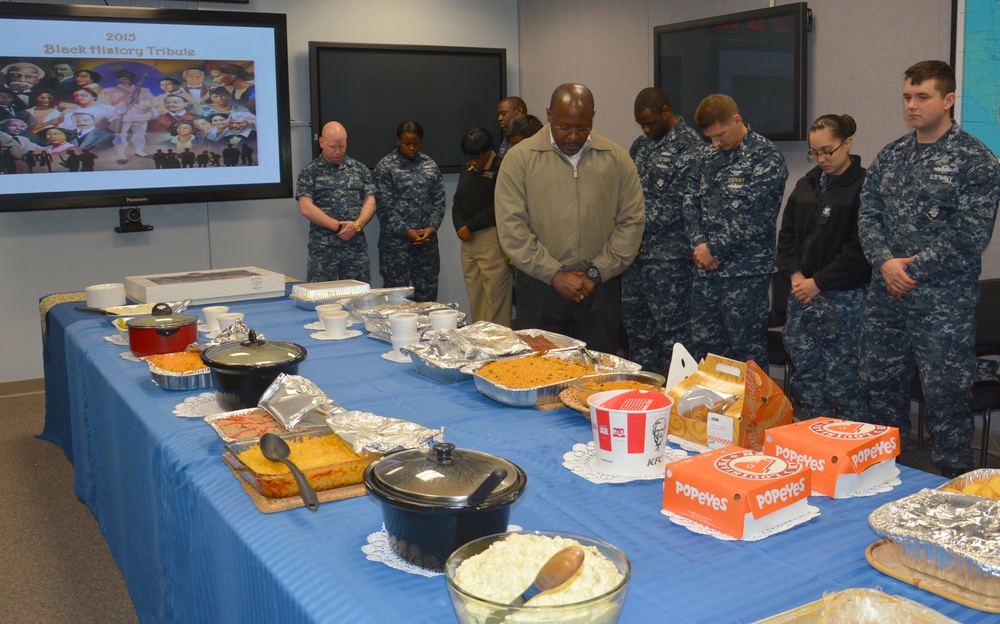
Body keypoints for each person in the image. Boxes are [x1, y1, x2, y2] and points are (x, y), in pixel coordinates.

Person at [858, 60, 1000, 476]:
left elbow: (969, 235)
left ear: (949, 99)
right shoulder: (892, 154)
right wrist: (885, 263)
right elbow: (868, 214)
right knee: (880, 394)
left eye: (923, 97)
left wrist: (910, 270)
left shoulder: (976, 160)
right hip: (886, 301)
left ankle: (953, 497)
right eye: (907, 97)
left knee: (947, 403)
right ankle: (883, 478)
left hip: (943, 308)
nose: (912, 106)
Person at [495, 83, 645, 353]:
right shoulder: (519, 160)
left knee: (598, 378)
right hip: (540, 288)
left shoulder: (617, 160)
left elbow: (631, 223)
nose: (573, 137)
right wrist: (554, 274)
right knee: (542, 377)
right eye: (564, 127)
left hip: (599, 289)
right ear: (549, 114)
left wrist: (596, 272)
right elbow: (512, 229)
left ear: (593, 118)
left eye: (582, 127)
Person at [776, 114, 871, 421]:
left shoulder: (864, 186)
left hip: (844, 301)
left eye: (828, 150)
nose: (821, 158)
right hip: (802, 296)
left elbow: (860, 249)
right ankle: (811, 445)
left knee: (846, 384)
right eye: (815, 152)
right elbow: (786, 237)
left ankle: (851, 452)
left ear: (848, 144)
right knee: (807, 381)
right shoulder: (806, 185)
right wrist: (796, 276)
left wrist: (819, 281)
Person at [683, 94, 788, 364]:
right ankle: (712, 407)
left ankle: (751, 408)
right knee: (707, 351)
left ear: (737, 120)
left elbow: (757, 217)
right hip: (706, 272)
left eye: (719, 135)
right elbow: (689, 204)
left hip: (745, 275)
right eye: (710, 138)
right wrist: (701, 246)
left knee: (747, 353)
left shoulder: (765, 157)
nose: (715, 143)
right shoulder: (706, 157)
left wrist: (714, 249)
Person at [623, 87, 702, 374]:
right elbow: (626, 194)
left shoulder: (691, 147)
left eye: (650, 122)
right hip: (634, 262)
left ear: (666, 112)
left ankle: (676, 407)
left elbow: (677, 206)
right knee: (638, 332)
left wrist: (628, 227)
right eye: (640, 124)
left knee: (675, 339)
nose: (645, 129)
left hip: (670, 264)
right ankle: (643, 398)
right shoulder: (640, 146)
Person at [296, 121, 377, 283]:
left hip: (355, 251)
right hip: (324, 252)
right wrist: (338, 227)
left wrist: (357, 225)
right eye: (333, 147)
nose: (338, 152)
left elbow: (371, 201)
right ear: (321, 142)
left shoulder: (359, 169)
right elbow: (306, 207)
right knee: (322, 299)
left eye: (343, 146)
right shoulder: (310, 172)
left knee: (358, 299)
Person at [374, 121, 446, 302]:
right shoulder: (385, 167)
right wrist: (407, 232)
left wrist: (431, 228)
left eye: (416, 143)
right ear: (398, 141)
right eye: (407, 144)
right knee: (396, 303)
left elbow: (439, 201)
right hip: (396, 249)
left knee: (427, 303)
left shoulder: (430, 165)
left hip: (426, 246)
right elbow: (384, 208)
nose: (412, 148)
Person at [452, 128, 512, 326]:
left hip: (491, 238)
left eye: (477, 157)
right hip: (467, 241)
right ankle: (480, 338)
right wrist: (460, 227)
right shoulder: (466, 169)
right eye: (469, 157)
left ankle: (499, 343)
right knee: (475, 294)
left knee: (495, 297)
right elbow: (457, 203)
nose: (473, 162)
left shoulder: (502, 168)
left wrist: (470, 226)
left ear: (489, 151)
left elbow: (500, 205)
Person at [99, 69, 155, 163]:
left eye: (129, 78)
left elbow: (153, 101)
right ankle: (121, 155)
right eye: (123, 78)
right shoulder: (109, 91)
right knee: (120, 136)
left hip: (140, 115)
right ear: (118, 80)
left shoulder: (144, 90)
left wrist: (137, 102)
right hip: (120, 116)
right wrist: (116, 110)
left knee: (140, 134)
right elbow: (102, 104)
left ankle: (139, 151)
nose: (126, 80)